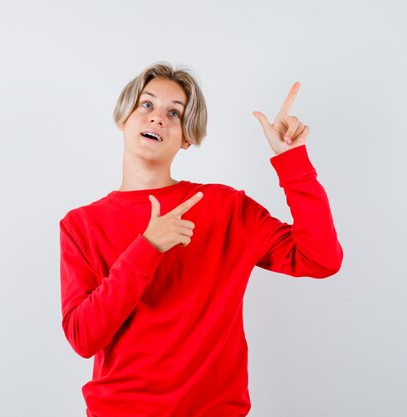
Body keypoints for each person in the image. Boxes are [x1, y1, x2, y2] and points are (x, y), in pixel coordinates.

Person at [58, 62, 343, 417]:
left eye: (173, 113)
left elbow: (321, 258)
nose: (157, 118)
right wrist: (146, 248)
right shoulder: (80, 224)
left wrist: (291, 160)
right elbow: (83, 338)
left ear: (187, 136)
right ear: (123, 118)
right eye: (146, 105)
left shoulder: (226, 208)